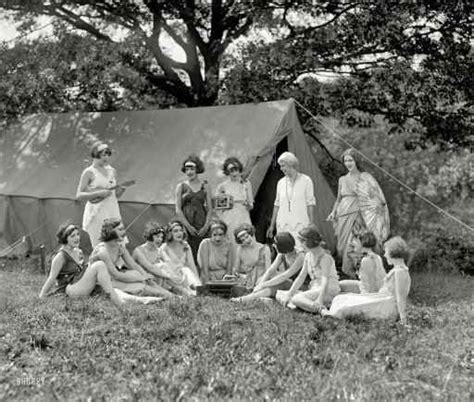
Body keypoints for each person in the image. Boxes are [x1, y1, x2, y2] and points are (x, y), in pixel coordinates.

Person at [327, 148, 390, 278]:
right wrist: (333, 212)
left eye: (351, 160)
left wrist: (372, 208)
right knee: (342, 246)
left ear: (356, 161)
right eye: (345, 161)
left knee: (357, 241)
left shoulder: (364, 178)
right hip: (344, 211)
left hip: (359, 213)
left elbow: (374, 197)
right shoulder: (342, 179)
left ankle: (358, 271)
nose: (348, 163)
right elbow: (338, 199)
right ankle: (349, 271)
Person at [322, 236, 411, 326]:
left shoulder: (400, 272)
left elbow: (401, 299)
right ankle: (332, 313)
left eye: (386, 252)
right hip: (381, 299)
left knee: (348, 306)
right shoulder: (397, 270)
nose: (385, 255)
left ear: (394, 253)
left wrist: (404, 321)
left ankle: (333, 315)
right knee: (341, 298)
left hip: (386, 307)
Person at [39, 223, 123, 308]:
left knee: (107, 285)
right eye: (72, 236)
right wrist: (41, 296)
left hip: (79, 284)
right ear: (65, 239)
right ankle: (118, 303)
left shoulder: (78, 251)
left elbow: (83, 270)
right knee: (99, 266)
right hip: (70, 289)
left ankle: (120, 299)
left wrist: (95, 258)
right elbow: (51, 278)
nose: (77, 238)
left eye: (78, 234)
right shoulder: (60, 256)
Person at [89, 218, 174, 298]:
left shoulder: (120, 247)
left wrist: (145, 276)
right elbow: (116, 275)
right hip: (101, 283)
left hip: (113, 278)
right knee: (140, 284)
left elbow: (133, 265)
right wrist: (140, 277)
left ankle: (171, 295)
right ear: (110, 232)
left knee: (144, 278)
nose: (124, 232)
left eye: (123, 229)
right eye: (120, 229)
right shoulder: (102, 251)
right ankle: (167, 295)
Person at [278, 225, 340, 313]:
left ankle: (321, 309)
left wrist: (320, 299)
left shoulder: (325, 258)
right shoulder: (308, 255)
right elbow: (301, 276)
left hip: (328, 289)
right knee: (284, 294)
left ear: (308, 242)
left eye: (301, 242)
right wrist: (289, 293)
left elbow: (325, 280)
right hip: (315, 288)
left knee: (296, 299)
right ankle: (316, 305)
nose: (300, 245)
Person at [76, 142, 125, 247]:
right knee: (100, 244)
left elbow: (116, 195)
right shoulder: (89, 172)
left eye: (108, 154)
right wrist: (99, 193)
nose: (106, 157)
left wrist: (122, 189)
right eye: (103, 155)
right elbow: (79, 195)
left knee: (118, 242)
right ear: (95, 155)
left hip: (112, 210)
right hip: (97, 211)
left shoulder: (112, 171)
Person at [234, 232, 305, 302]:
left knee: (279, 283)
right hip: (288, 281)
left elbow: (286, 275)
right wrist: (261, 283)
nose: (274, 246)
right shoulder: (282, 254)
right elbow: (270, 270)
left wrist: (263, 285)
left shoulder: (300, 256)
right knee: (263, 279)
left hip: (299, 285)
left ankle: (246, 298)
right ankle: (258, 296)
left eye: (275, 245)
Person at [266, 152, 316, 243]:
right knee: (285, 248)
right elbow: (277, 205)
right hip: (283, 223)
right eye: (280, 166)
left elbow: (310, 203)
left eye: (283, 166)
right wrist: (272, 226)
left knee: (301, 248)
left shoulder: (306, 180)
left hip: (300, 221)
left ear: (291, 164)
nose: (281, 169)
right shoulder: (280, 183)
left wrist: (311, 223)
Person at [132, 221, 190, 295]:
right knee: (160, 270)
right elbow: (150, 267)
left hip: (155, 278)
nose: (160, 239)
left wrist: (175, 273)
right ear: (150, 236)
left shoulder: (158, 250)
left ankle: (182, 290)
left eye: (161, 237)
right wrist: (168, 275)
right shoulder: (139, 250)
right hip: (141, 277)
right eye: (157, 237)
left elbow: (168, 264)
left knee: (165, 268)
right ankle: (172, 294)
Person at [175, 154, 213, 264]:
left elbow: (210, 208)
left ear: (197, 169)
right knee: (187, 252)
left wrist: (206, 226)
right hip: (186, 222)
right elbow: (178, 209)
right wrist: (188, 226)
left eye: (192, 168)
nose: (189, 172)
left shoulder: (205, 186)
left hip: (201, 221)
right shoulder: (181, 186)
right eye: (187, 169)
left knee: (202, 252)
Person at [215, 157, 253, 244]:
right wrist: (222, 220)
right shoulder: (222, 186)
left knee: (246, 239)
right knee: (232, 241)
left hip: (243, 216)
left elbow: (251, 205)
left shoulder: (246, 183)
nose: (234, 173)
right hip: (229, 217)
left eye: (236, 170)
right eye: (231, 171)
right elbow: (217, 207)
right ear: (227, 172)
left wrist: (248, 205)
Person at [159, 220, 202, 295]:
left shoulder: (185, 246)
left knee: (186, 270)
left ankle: (198, 288)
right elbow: (161, 267)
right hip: (170, 278)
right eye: (175, 231)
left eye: (181, 230)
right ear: (170, 233)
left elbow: (192, 266)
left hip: (182, 276)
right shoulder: (164, 247)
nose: (179, 233)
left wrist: (198, 281)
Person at [233, 223, 271, 289]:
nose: (246, 240)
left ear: (252, 234)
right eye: (243, 240)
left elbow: (269, 271)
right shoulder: (240, 249)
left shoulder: (265, 249)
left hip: (263, 279)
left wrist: (262, 280)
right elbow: (236, 270)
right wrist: (239, 276)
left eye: (247, 237)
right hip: (248, 280)